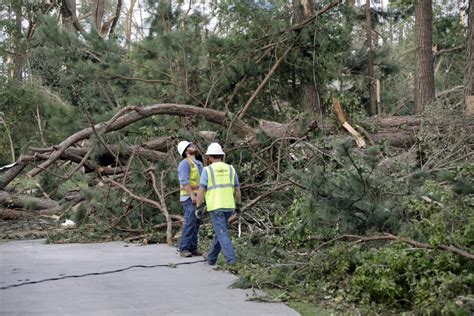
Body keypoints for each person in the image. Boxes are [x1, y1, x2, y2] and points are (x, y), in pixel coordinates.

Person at [196, 143, 241, 265]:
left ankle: (231, 260)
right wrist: (239, 205)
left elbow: (201, 190)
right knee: (220, 231)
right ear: (221, 156)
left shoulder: (207, 170)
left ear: (210, 157)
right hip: (229, 206)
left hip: (216, 206)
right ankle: (211, 258)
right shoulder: (231, 169)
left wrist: (198, 206)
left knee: (221, 233)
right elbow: (237, 189)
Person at [177, 141, 204, 257]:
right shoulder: (184, 163)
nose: (193, 146)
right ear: (185, 151)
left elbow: (203, 182)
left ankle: (193, 248)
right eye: (190, 146)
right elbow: (184, 181)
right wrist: (192, 195)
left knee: (197, 222)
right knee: (190, 222)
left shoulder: (198, 164)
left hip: (198, 197)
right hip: (189, 198)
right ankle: (184, 248)